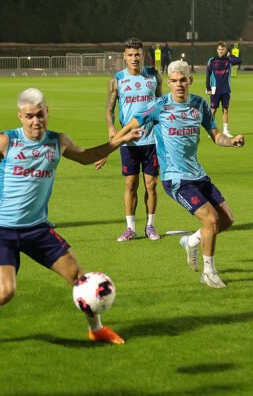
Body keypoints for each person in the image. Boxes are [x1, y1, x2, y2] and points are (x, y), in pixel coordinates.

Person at [0, 88, 141, 344]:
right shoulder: (6, 141)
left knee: (79, 278)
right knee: (6, 291)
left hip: (38, 229)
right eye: (29, 116)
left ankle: (96, 329)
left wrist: (117, 142)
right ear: (20, 116)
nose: (36, 121)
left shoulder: (58, 141)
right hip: (2, 229)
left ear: (47, 112)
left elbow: (86, 157)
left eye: (40, 115)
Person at [123, 60, 245, 288]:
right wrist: (116, 142)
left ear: (190, 80)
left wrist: (231, 141)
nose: (179, 84)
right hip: (175, 178)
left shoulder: (199, 105)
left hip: (198, 174)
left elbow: (217, 136)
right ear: (168, 82)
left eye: (183, 80)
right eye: (174, 81)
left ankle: (191, 241)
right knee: (211, 219)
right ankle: (208, 272)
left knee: (227, 219)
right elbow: (134, 126)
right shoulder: (158, 106)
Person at [96, 37, 162, 241]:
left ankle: (150, 226)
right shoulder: (117, 80)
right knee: (130, 184)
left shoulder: (153, 76)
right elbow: (109, 110)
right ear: (124, 57)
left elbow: (160, 104)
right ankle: (130, 228)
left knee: (151, 184)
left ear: (143, 56)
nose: (134, 58)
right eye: (130, 55)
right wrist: (111, 128)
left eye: (138, 55)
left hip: (151, 140)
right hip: (128, 141)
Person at [205, 41, 243, 137]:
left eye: (222, 49)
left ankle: (225, 130)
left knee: (225, 110)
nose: (220, 51)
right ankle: (211, 130)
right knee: (213, 110)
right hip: (215, 89)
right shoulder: (212, 60)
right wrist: (208, 87)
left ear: (225, 50)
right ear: (217, 50)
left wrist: (229, 54)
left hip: (226, 89)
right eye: (219, 49)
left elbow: (238, 61)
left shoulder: (229, 60)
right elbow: (208, 74)